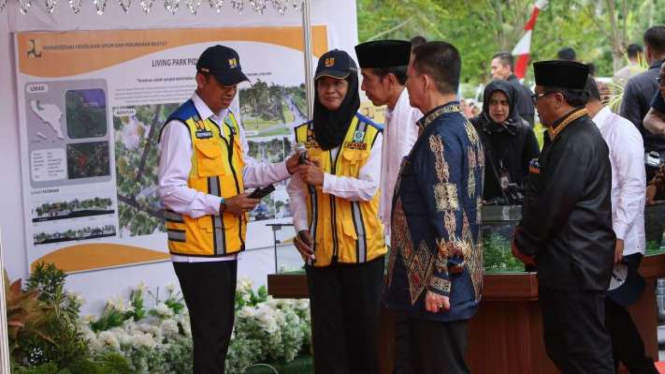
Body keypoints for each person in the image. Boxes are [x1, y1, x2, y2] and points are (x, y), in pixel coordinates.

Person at [158, 45, 300, 374]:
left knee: (220, 334)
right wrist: (222, 204)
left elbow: (244, 171)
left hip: (225, 247)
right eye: (223, 84)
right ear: (200, 79)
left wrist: (285, 167)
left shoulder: (230, 123)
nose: (230, 91)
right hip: (196, 250)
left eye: (234, 84)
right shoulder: (181, 126)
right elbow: (169, 189)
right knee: (212, 337)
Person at [384, 41, 484, 374]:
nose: (406, 84)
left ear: (425, 81)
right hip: (428, 288)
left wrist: (440, 279)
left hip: (436, 290)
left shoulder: (439, 135)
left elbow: (449, 212)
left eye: (409, 76)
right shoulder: (461, 126)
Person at [511, 60, 615, 374]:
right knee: (564, 348)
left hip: (576, 266)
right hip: (566, 264)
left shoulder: (577, 140)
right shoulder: (565, 134)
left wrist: (524, 242)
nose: (535, 104)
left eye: (537, 96)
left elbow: (553, 203)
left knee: (585, 353)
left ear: (558, 99)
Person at [287, 49, 387, 374]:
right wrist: (301, 228)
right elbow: (296, 189)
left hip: (363, 255)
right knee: (327, 345)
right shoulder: (304, 136)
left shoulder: (371, 134)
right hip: (320, 254)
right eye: (324, 83)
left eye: (339, 83)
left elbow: (368, 188)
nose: (331, 90)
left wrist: (324, 180)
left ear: (352, 85)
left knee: (364, 342)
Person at [585, 77, 658, 374]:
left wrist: (618, 236)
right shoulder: (586, 133)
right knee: (605, 319)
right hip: (598, 240)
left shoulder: (620, 129)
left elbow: (633, 187)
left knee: (609, 315)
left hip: (618, 241)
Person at [355, 39, 421, 236]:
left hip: (416, 227)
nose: (363, 87)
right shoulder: (391, 113)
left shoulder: (416, 114)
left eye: (367, 78)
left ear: (390, 80)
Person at [471, 80, 540, 204]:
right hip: (482, 206)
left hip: (514, 206)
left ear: (512, 103)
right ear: (486, 104)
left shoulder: (523, 131)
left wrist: (521, 192)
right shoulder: (474, 128)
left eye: (504, 103)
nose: (499, 109)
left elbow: (535, 172)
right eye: (493, 102)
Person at [620, 26, 665, 162]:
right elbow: (649, 119)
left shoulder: (635, 84)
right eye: (661, 81)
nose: (661, 86)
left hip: (650, 163)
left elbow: (629, 134)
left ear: (648, 52)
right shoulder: (658, 91)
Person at [490, 52, 535, 126]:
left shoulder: (503, 91)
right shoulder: (528, 90)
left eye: (495, 68)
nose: (492, 72)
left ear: (507, 68)